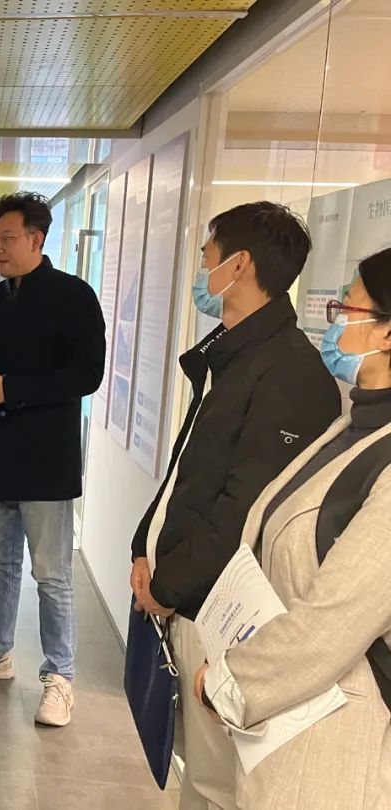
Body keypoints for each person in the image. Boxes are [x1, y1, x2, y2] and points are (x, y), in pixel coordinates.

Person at [128, 202, 341, 809]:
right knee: (197, 773)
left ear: (239, 264)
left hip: (221, 611)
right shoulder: (232, 355)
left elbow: (245, 508)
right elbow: (187, 471)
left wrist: (170, 585)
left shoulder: (290, 372)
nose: (202, 270)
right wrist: (144, 546)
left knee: (218, 784)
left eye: (208, 258)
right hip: (186, 597)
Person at [194, 248, 391, 810]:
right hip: (283, 731)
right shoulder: (355, 425)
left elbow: (333, 622)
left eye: (346, 309)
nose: (333, 324)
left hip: (337, 747)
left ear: (387, 333)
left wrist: (230, 683)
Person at [0, 192, 105, 729]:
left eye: (6, 239)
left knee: (52, 575)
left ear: (37, 239)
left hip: (47, 460)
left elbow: (86, 375)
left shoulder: (74, 297)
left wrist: (13, 389)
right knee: (0, 562)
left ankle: (60, 675)